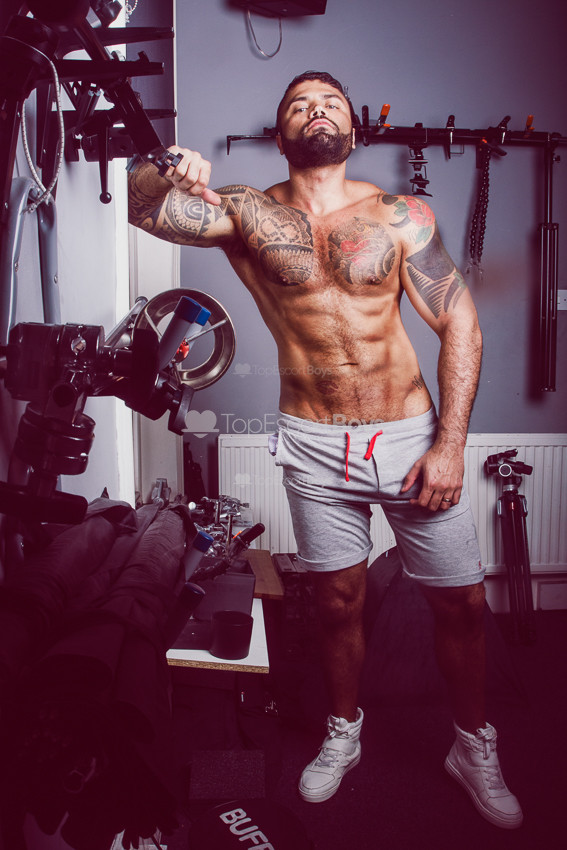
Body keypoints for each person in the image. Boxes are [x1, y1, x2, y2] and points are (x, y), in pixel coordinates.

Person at [128, 71, 523, 830]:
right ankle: (344, 732)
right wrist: (162, 167)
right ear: (280, 133)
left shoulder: (399, 215)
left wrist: (449, 446)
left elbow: (461, 323)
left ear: (353, 130)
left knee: (463, 604)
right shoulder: (245, 210)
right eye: (299, 105)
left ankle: (472, 746)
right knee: (336, 604)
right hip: (312, 442)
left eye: (331, 103)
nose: (316, 111)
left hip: (410, 437)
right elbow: (145, 208)